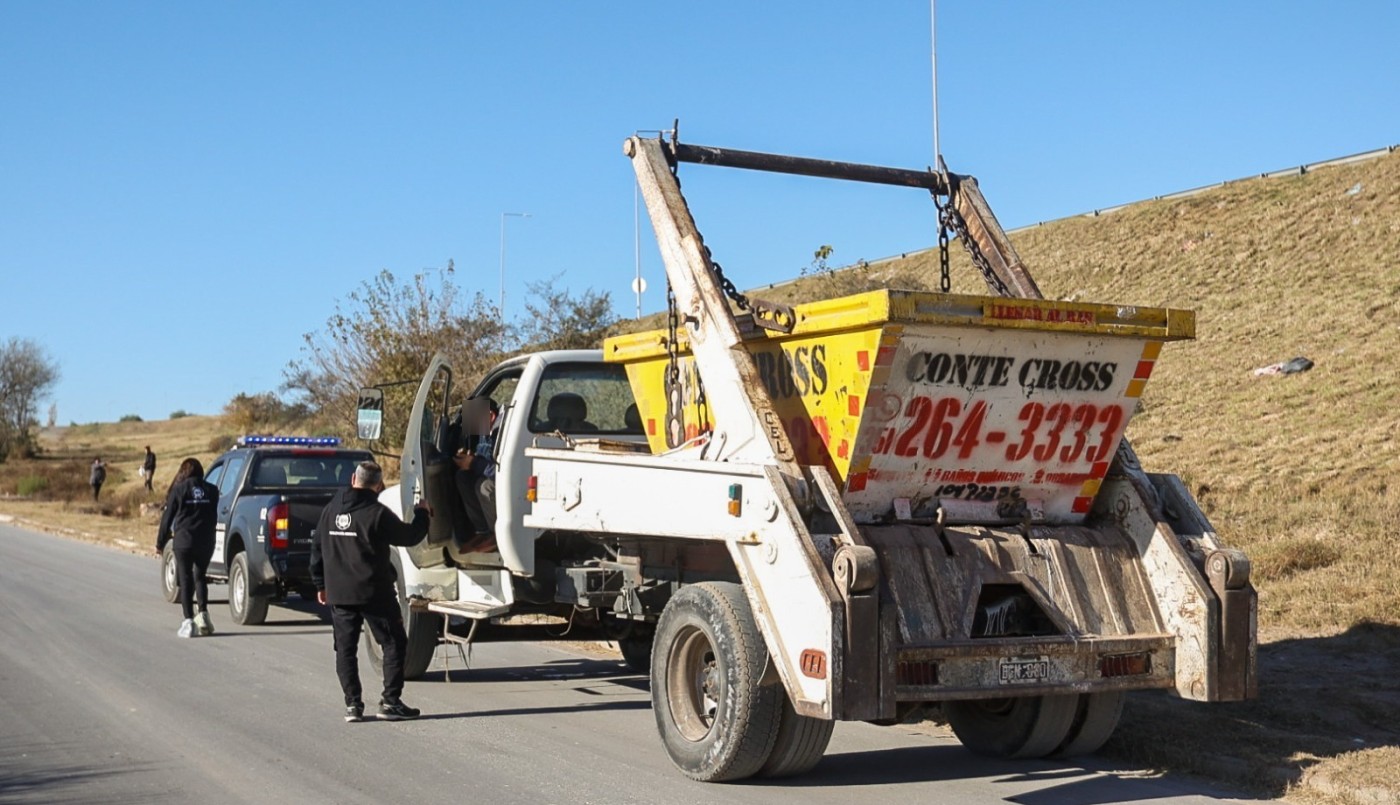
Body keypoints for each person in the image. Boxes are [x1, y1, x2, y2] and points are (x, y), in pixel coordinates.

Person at [311, 461, 432, 723]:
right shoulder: (377, 513)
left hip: (340, 593)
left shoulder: (330, 510)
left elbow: (317, 548)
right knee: (394, 642)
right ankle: (390, 701)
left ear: (353, 477)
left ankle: (353, 705)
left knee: (345, 649)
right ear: (378, 485)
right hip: (373, 592)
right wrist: (423, 514)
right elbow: (410, 536)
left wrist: (320, 584)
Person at [155, 458, 220, 638]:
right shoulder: (212, 491)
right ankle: (204, 617)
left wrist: (160, 543)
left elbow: (167, 519)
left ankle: (188, 621)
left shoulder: (178, 490)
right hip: (206, 541)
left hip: (184, 541)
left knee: (185, 579)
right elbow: (213, 516)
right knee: (200, 577)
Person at [452, 397, 499, 553]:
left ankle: (496, 534)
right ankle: (482, 531)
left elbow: (501, 470)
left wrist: (473, 463)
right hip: (488, 476)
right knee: (463, 478)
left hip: (507, 484)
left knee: (484, 486)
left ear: (490, 416)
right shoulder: (483, 433)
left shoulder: (502, 433)